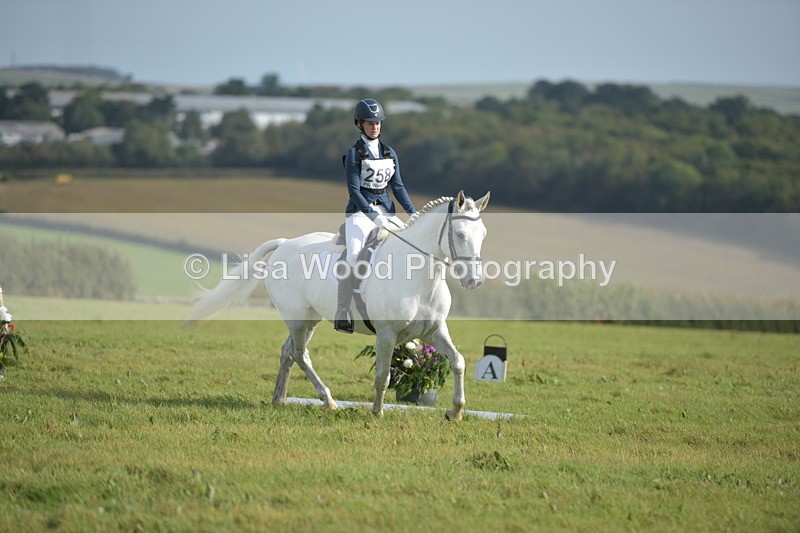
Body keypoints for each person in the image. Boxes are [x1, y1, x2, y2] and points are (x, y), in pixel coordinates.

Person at [334, 98, 416, 333]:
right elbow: (354, 190)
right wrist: (373, 216)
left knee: (409, 246)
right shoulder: (354, 153)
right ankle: (342, 312)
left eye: (378, 123)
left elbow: (398, 187)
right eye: (370, 123)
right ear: (359, 124)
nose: (375, 127)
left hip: (387, 210)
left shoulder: (389, 152)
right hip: (360, 213)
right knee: (353, 257)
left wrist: (413, 213)